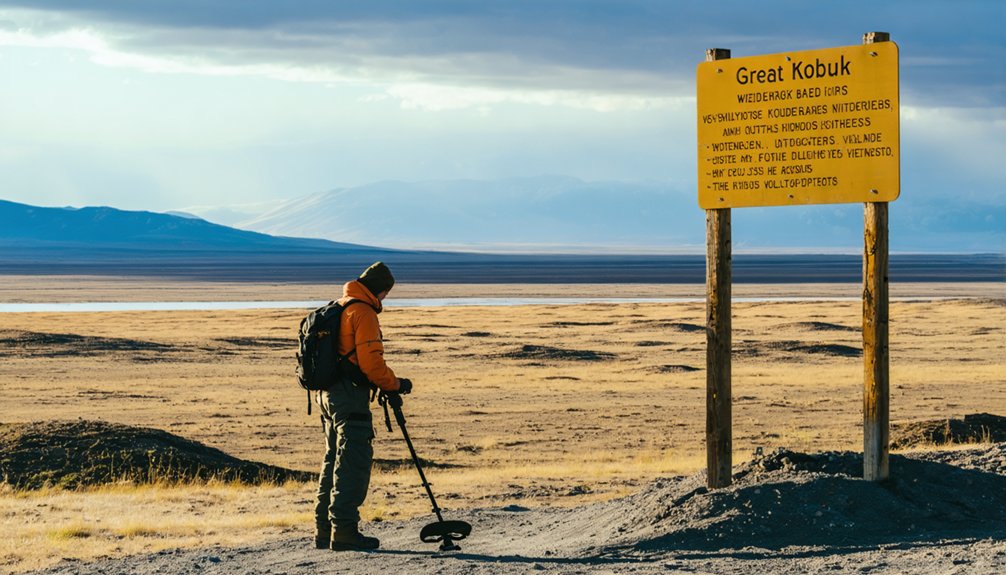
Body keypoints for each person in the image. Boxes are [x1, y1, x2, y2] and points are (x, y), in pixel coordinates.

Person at [315, 261, 413, 551]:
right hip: (349, 397)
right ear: (379, 290)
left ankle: (324, 530)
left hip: (327, 395)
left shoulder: (340, 305)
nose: (384, 299)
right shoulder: (363, 312)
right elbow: (371, 363)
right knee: (352, 462)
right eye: (385, 293)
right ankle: (344, 531)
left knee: (333, 459)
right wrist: (394, 384)